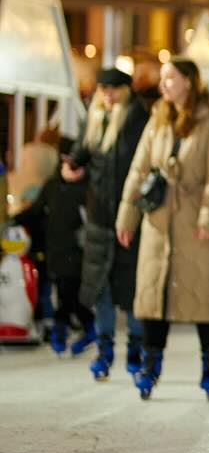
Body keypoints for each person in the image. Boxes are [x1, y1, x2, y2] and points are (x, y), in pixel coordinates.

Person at [116, 58, 209, 400]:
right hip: (159, 220)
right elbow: (139, 170)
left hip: (196, 221)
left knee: (205, 296)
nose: (164, 83)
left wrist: (208, 219)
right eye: (163, 78)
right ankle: (151, 365)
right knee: (156, 295)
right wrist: (128, 216)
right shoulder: (158, 120)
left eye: (170, 77)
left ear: (188, 81)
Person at [76, 65, 151, 380]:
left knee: (130, 287)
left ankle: (136, 347)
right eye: (102, 89)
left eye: (112, 89)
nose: (106, 95)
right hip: (99, 220)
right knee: (101, 289)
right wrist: (71, 168)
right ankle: (104, 349)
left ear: (125, 90)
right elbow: (83, 155)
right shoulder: (95, 120)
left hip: (129, 220)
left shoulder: (138, 122)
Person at [11, 141, 93, 357]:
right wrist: (12, 220)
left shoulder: (88, 189)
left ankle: (66, 331)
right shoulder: (53, 186)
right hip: (56, 251)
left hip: (79, 254)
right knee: (68, 297)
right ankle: (82, 329)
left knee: (70, 296)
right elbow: (36, 211)